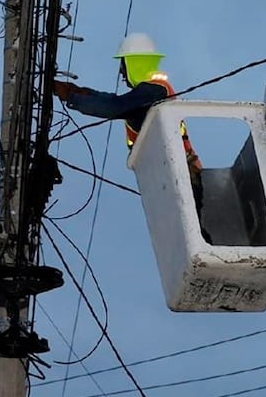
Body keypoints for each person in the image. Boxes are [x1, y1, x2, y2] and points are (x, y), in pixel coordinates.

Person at [52, 33, 211, 242]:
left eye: (123, 67)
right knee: (186, 235)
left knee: (192, 235)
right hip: (170, 173)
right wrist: (81, 92)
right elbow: (115, 101)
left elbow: (115, 107)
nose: (122, 75)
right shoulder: (147, 95)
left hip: (181, 173)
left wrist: (71, 97)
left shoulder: (154, 91)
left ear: (134, 63)